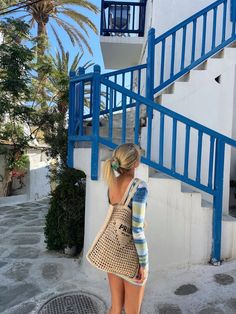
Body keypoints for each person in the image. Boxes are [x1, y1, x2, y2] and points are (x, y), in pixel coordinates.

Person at [102, 143, 149, 314]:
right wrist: (143, 264)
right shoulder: (139, 187)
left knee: (115, 308)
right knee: (132, 311)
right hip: (130, 253)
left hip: (111, 249)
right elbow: (136, 230)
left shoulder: (111, 183)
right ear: (135, 163)